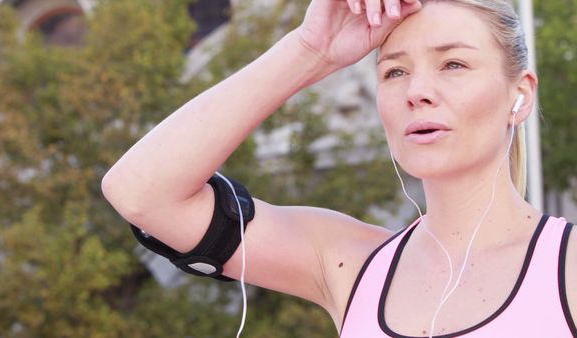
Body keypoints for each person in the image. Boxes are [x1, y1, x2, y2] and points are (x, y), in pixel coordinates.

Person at [101, 0, 577, 336]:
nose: (418, 90)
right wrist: (312, 49)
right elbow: (141, 191)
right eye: (394, 71)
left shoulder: (568, 268)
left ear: (521, 94)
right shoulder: (353, 265)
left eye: (453, 64)